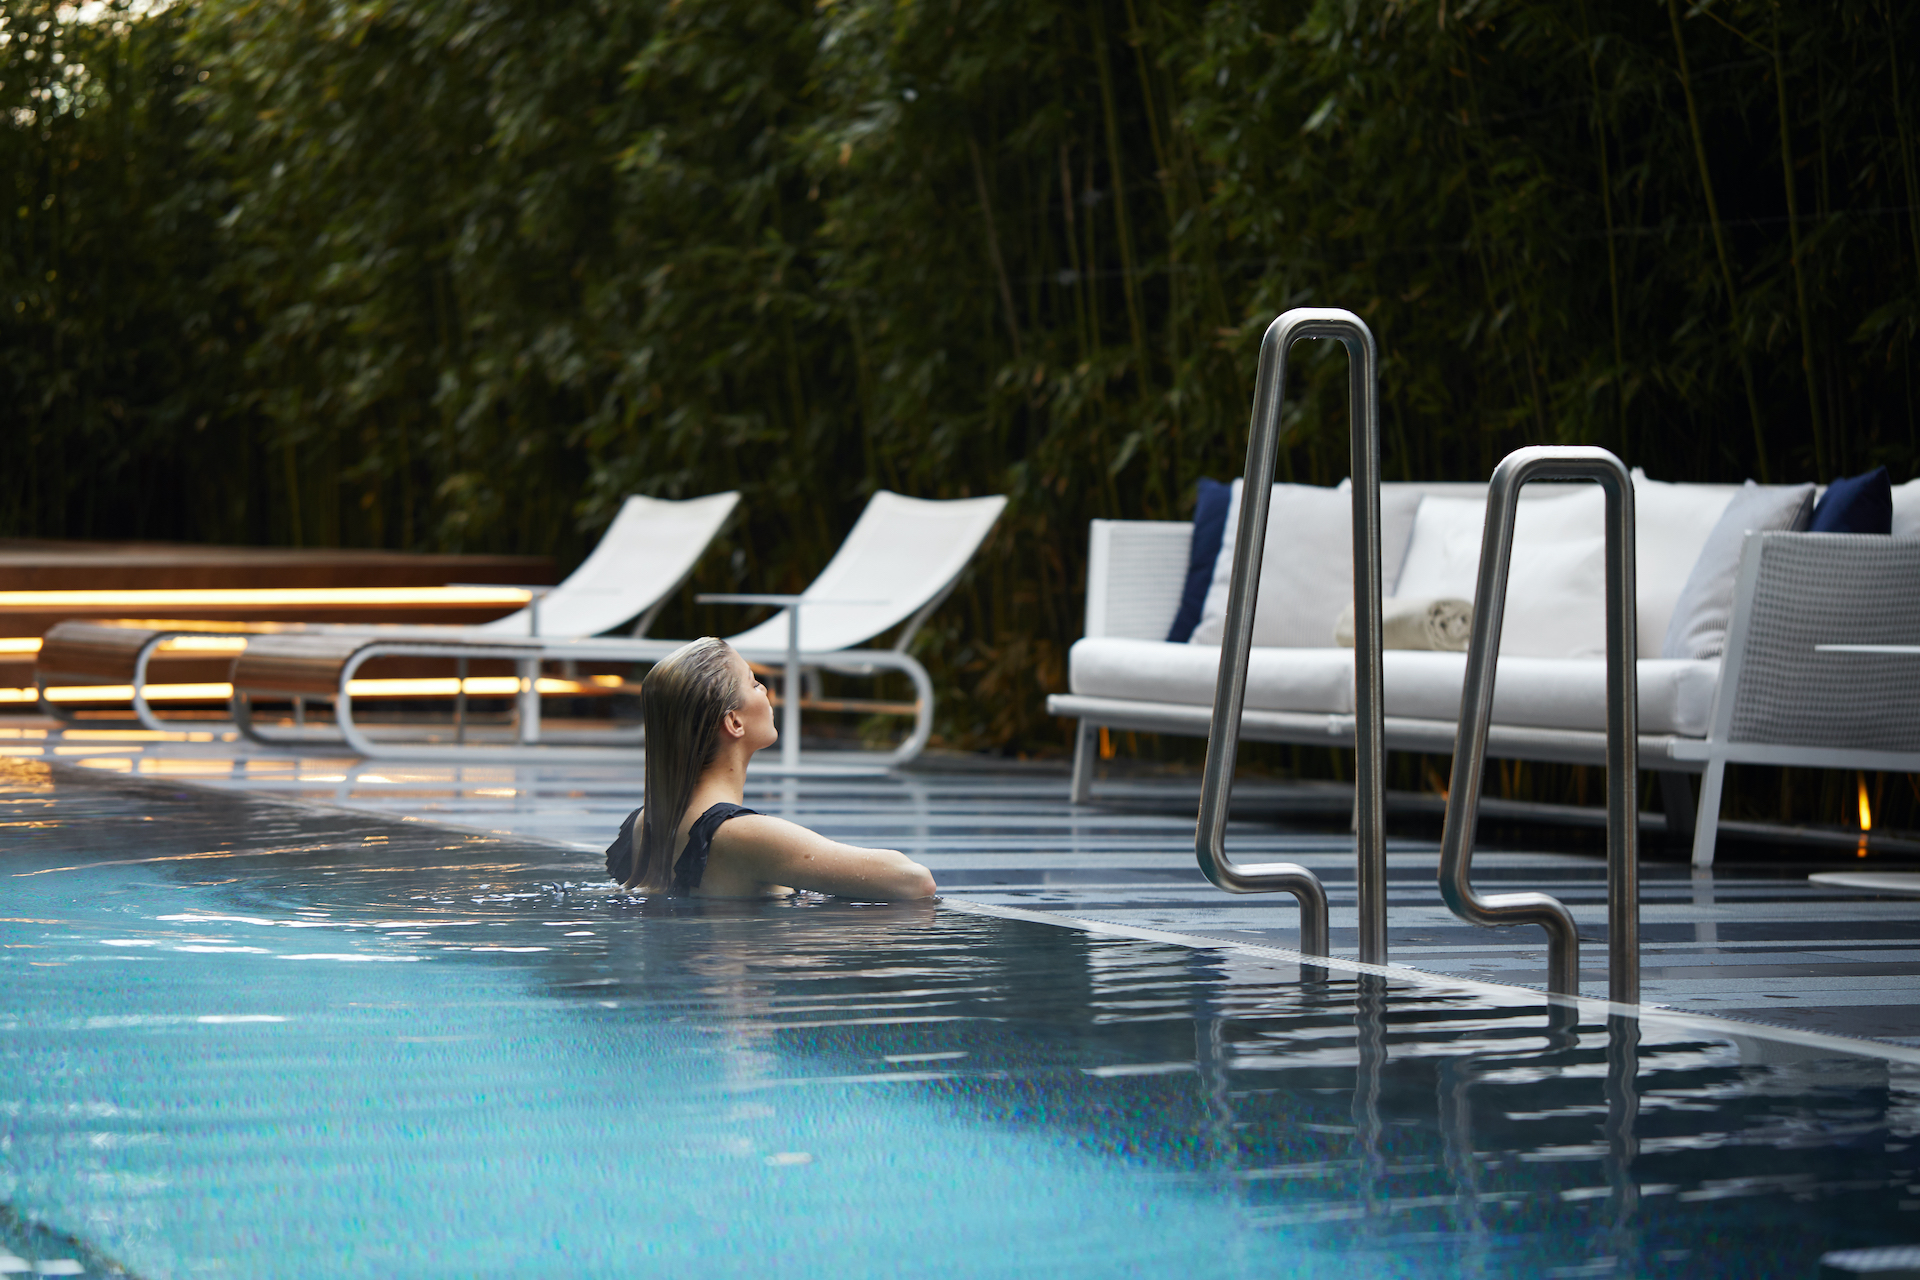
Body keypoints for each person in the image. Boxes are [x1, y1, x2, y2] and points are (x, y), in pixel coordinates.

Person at [605, 636, 936, 901]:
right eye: (753, 683)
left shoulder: (643, 824)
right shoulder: (745, 835)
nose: (764, 691)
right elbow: (913, 881)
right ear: (733, 722)